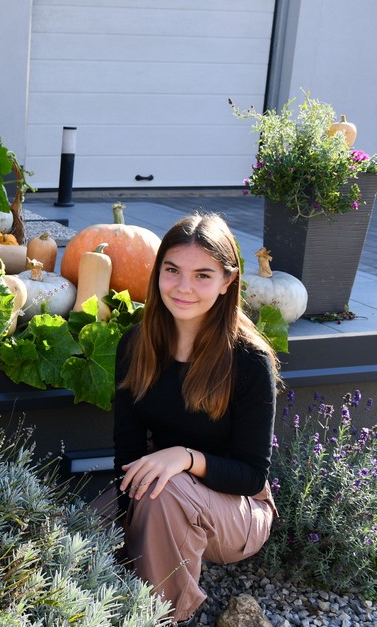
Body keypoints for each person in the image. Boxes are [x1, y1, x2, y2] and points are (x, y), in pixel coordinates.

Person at [112, 213, 279, 625]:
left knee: (162, 492)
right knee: (87, 527)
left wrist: (185, 458)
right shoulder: (137, 344)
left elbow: (251, 476)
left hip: (239, 512)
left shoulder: (248, 360)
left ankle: (163, 616)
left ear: (227, 281)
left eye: (203, 275)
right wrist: (122, 533)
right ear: (158, 273)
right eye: (172, 270)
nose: (183, 287)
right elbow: (128, 449)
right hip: (165, 487)